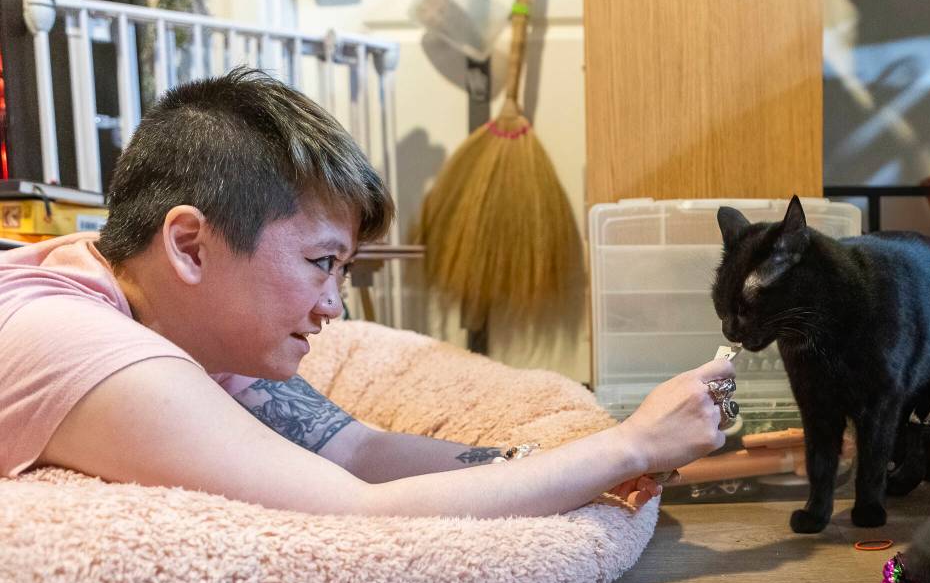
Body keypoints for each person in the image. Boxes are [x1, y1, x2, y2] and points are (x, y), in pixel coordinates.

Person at [0, 68, 735, 518]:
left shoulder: (167, 309)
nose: (335, 305)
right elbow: (361, 510)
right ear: (190, 245)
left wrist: (572, 457)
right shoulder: (84, 347)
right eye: (322, 262)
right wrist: (629, 442)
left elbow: (359, 451)